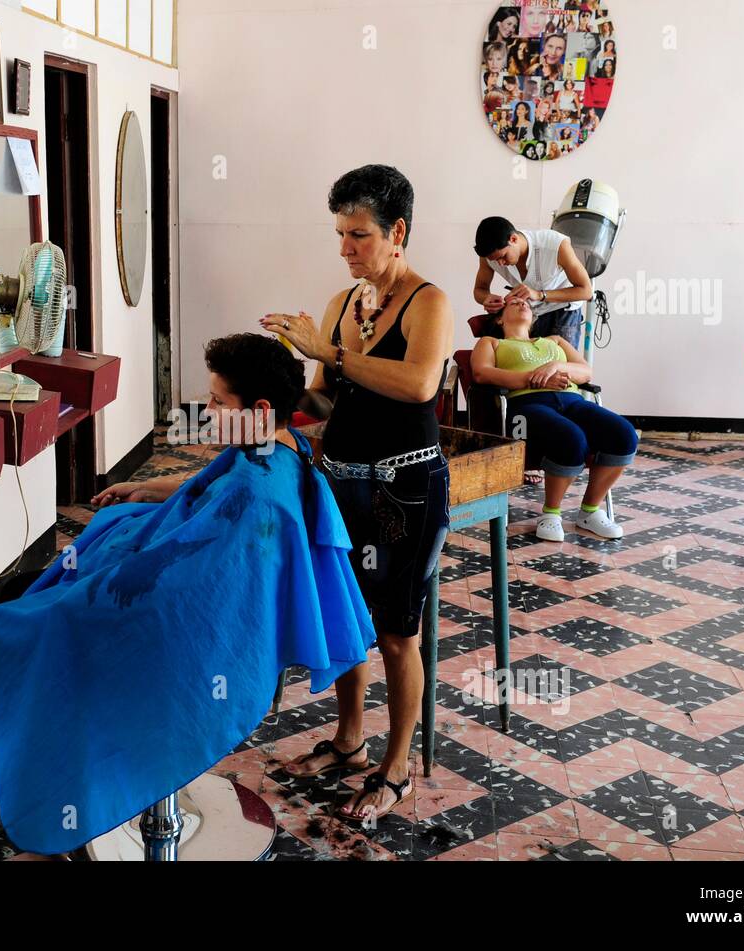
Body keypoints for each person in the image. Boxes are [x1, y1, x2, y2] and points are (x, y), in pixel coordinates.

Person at [0, 334, 377, 854]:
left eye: (216, 401)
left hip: (171, 637)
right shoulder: (277, 452)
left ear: (257, 409)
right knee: (17, 591)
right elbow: (207, 490)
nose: (206, 412)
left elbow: (185, 596)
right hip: (155, 591)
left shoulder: (257, 494)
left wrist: (94, 593)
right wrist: (146, 492)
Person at [260, 165, 453, 823]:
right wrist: (275, 408)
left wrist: (333, 354)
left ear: (397, 231)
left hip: (405, 490)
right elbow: (324, 395)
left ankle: (396, 766)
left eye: (359, 235)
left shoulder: (429, 301)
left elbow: (420, 384)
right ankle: (348, 738)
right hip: (341, 481)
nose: (345, 248)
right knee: (346, 614)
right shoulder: (344, 304)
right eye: (340, 234)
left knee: (398, 631)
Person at [471, 299, 636, 541]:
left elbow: (586, 372)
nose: (521, 302)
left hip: (572, 401)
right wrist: (533, 378)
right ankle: (551, 514)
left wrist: (558, 366)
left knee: (624, 435)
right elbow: (481, 372)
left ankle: (590, 511)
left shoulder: (555, 341)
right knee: (571, 438)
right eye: (513, 302)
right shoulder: (492, 343)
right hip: (526, 404)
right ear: (499, 318)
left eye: (525, 301)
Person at [472, 215, 594, 349]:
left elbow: (586, 291)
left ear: (513, 239)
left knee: (561, 365)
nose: (500, 264)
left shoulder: (555, 245)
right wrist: (486, 298)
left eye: (503, 257)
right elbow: (479, 290)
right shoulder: (489, 257)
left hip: (562, 311)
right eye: (494, 260)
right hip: (531, 315)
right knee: (531, 365)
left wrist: (540, 294)